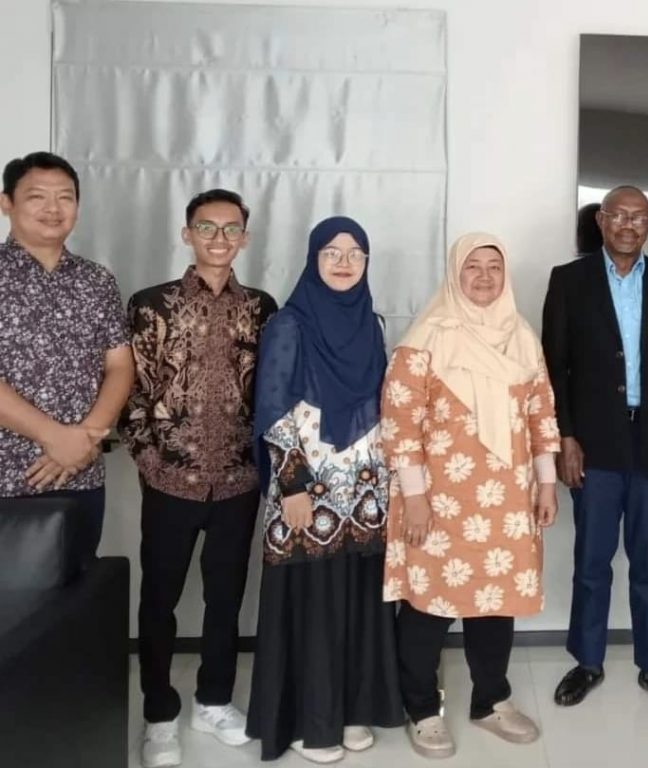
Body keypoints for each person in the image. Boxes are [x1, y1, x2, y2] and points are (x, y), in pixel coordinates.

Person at [381, 232, 560, 759]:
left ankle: (490, 701)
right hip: (439, 499)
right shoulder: (425, 339)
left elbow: (542, 414)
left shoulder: (521, 336)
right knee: (427, 607)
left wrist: (547, 481)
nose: (484, 277)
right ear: (454, 274)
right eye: (472, 267)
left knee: (494, 604)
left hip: (507, 500)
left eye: (493, 267)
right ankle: (421, 710)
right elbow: (400, 423)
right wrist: (415, 497)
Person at [120, 189, 277, 768]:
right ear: (187, 234)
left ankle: (214, 700)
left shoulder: (261, 308)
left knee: (226, 597)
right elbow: (129, 391)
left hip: (238, 481)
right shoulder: (151, 305)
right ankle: (159, 713)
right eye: (206, 227)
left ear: (245, 238)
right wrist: (151, 461)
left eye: (231, 229)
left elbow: (272, 390)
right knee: (159, 598)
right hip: (170, 481)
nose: (219, 238)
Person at [246, 216, 405, 763]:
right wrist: (291, 484)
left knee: (358, 601)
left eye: (356, 252)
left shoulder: (372, 323)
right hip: (307, 490)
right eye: (332, 252)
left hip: (364, 491)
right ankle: (307, 723)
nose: (344, 262)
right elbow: (272, 407)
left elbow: (382, 404)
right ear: (314, 258)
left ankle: (353, 709)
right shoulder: (288, 324)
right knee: (312, 604)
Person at [542, 185, 648, 712]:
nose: (629, 225)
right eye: (619, 215)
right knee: (591, 560)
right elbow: (554, 369)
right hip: (593, 445)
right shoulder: (568, 281)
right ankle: (587, 662)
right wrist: (564, 437)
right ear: (601, 220)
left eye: (639, 217)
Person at [0, 151, 133, 566]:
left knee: (76, 589)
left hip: (81, 472)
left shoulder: (97, 280)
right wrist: (54, 438)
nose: (53, 208)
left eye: (65, 197)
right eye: (37, 196)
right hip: (7, 474)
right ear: (6, 203)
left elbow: (119, 366)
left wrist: (86, 438)